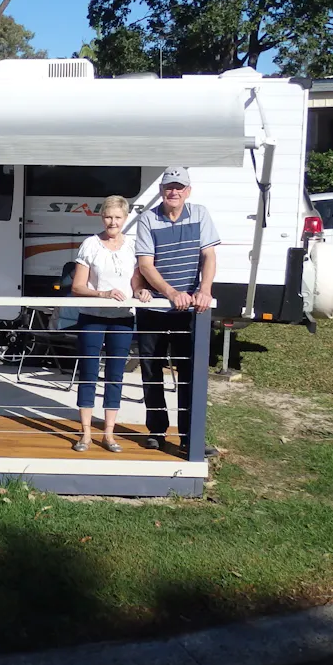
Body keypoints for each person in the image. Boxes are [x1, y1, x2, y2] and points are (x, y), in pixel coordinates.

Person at [133, 167, 220, 456]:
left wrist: (204, 290)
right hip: (155, 308)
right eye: (169, 187)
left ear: (188, 191)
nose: (174, 192)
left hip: (189, 312)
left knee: (189, 373)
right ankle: (156, 431)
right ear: (161, 190)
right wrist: (170, 293)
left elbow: (208, 255)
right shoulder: (147, 219)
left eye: (179, 187)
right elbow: (146, 264)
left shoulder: (200, 214)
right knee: (151, 370)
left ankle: (189, 437)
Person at [69, 195, 138, 453]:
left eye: (118, 217)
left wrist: (141, 291)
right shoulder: (90, 245)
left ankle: (109, 434)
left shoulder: (132, 246)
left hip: (123, 319)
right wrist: (103, 294)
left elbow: (137, 281)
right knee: (88, 373)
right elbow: (77, 286)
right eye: (108, 216)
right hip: (92, 316)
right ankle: (85, 434)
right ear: (102, 217)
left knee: (115, 375)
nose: (113, 222)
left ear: (125, 218)